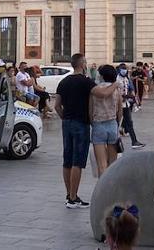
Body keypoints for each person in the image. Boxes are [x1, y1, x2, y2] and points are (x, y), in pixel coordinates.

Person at [55, 53, 115, 208]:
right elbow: (102, 93)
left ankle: (69, 195)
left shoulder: (63, 82)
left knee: (67, 159)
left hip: (67, 122)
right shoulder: (85, 82)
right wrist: (116, 85)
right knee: (78, 161)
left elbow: (56, 106)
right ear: (82, 64)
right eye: (86, 62)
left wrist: (64, 118)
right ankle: (74, 198)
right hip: (81, 123)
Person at [91, 64, 124, 175]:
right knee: (112, 164)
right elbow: (120, 111)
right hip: (112, 124)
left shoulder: (95, 90)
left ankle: (102, 190)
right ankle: (111, 189)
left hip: (98, 125)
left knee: (102, 165)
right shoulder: (116, 90)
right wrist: (117, 123)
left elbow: (90, 111)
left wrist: (93, 123)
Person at [117, 63, 145, 149]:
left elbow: (130, 88)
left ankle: (134, 141)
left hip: (126, 104)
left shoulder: (126, 78)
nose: (124, 70)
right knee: (116, 123)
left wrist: (131, 96)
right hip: (118, 104)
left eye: (125, 68)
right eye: (123, 68)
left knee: (129, 122)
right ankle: (115, 143)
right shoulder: (117, 79)